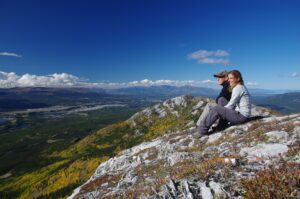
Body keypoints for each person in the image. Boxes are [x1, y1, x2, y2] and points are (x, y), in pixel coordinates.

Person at [197, 70, 251, 136]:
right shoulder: (239, 87)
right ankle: (220, 125)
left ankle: (201, 131)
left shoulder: (238, 88)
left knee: (217, 109)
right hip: (240, 114)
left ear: (238, 78)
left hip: (241, 117)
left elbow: (230, 105)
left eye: (231, 78)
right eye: (229, 78)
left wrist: (219, 110)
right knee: (220, 102)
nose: (229, 80)